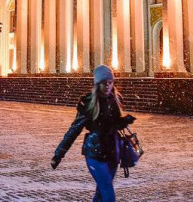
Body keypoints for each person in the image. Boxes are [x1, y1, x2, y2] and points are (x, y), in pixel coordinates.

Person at [51, 65, 136, 202]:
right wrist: (58, 154)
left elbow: (112, 125)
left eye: (110, 82)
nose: (108, 86)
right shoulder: (88, 103)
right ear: (97, 84)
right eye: (104, 83)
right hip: (95, 153)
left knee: (101, 192)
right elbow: (74, 130)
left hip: (112, 152)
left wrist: (124, 121)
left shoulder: (113, 100)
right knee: (107, 191)